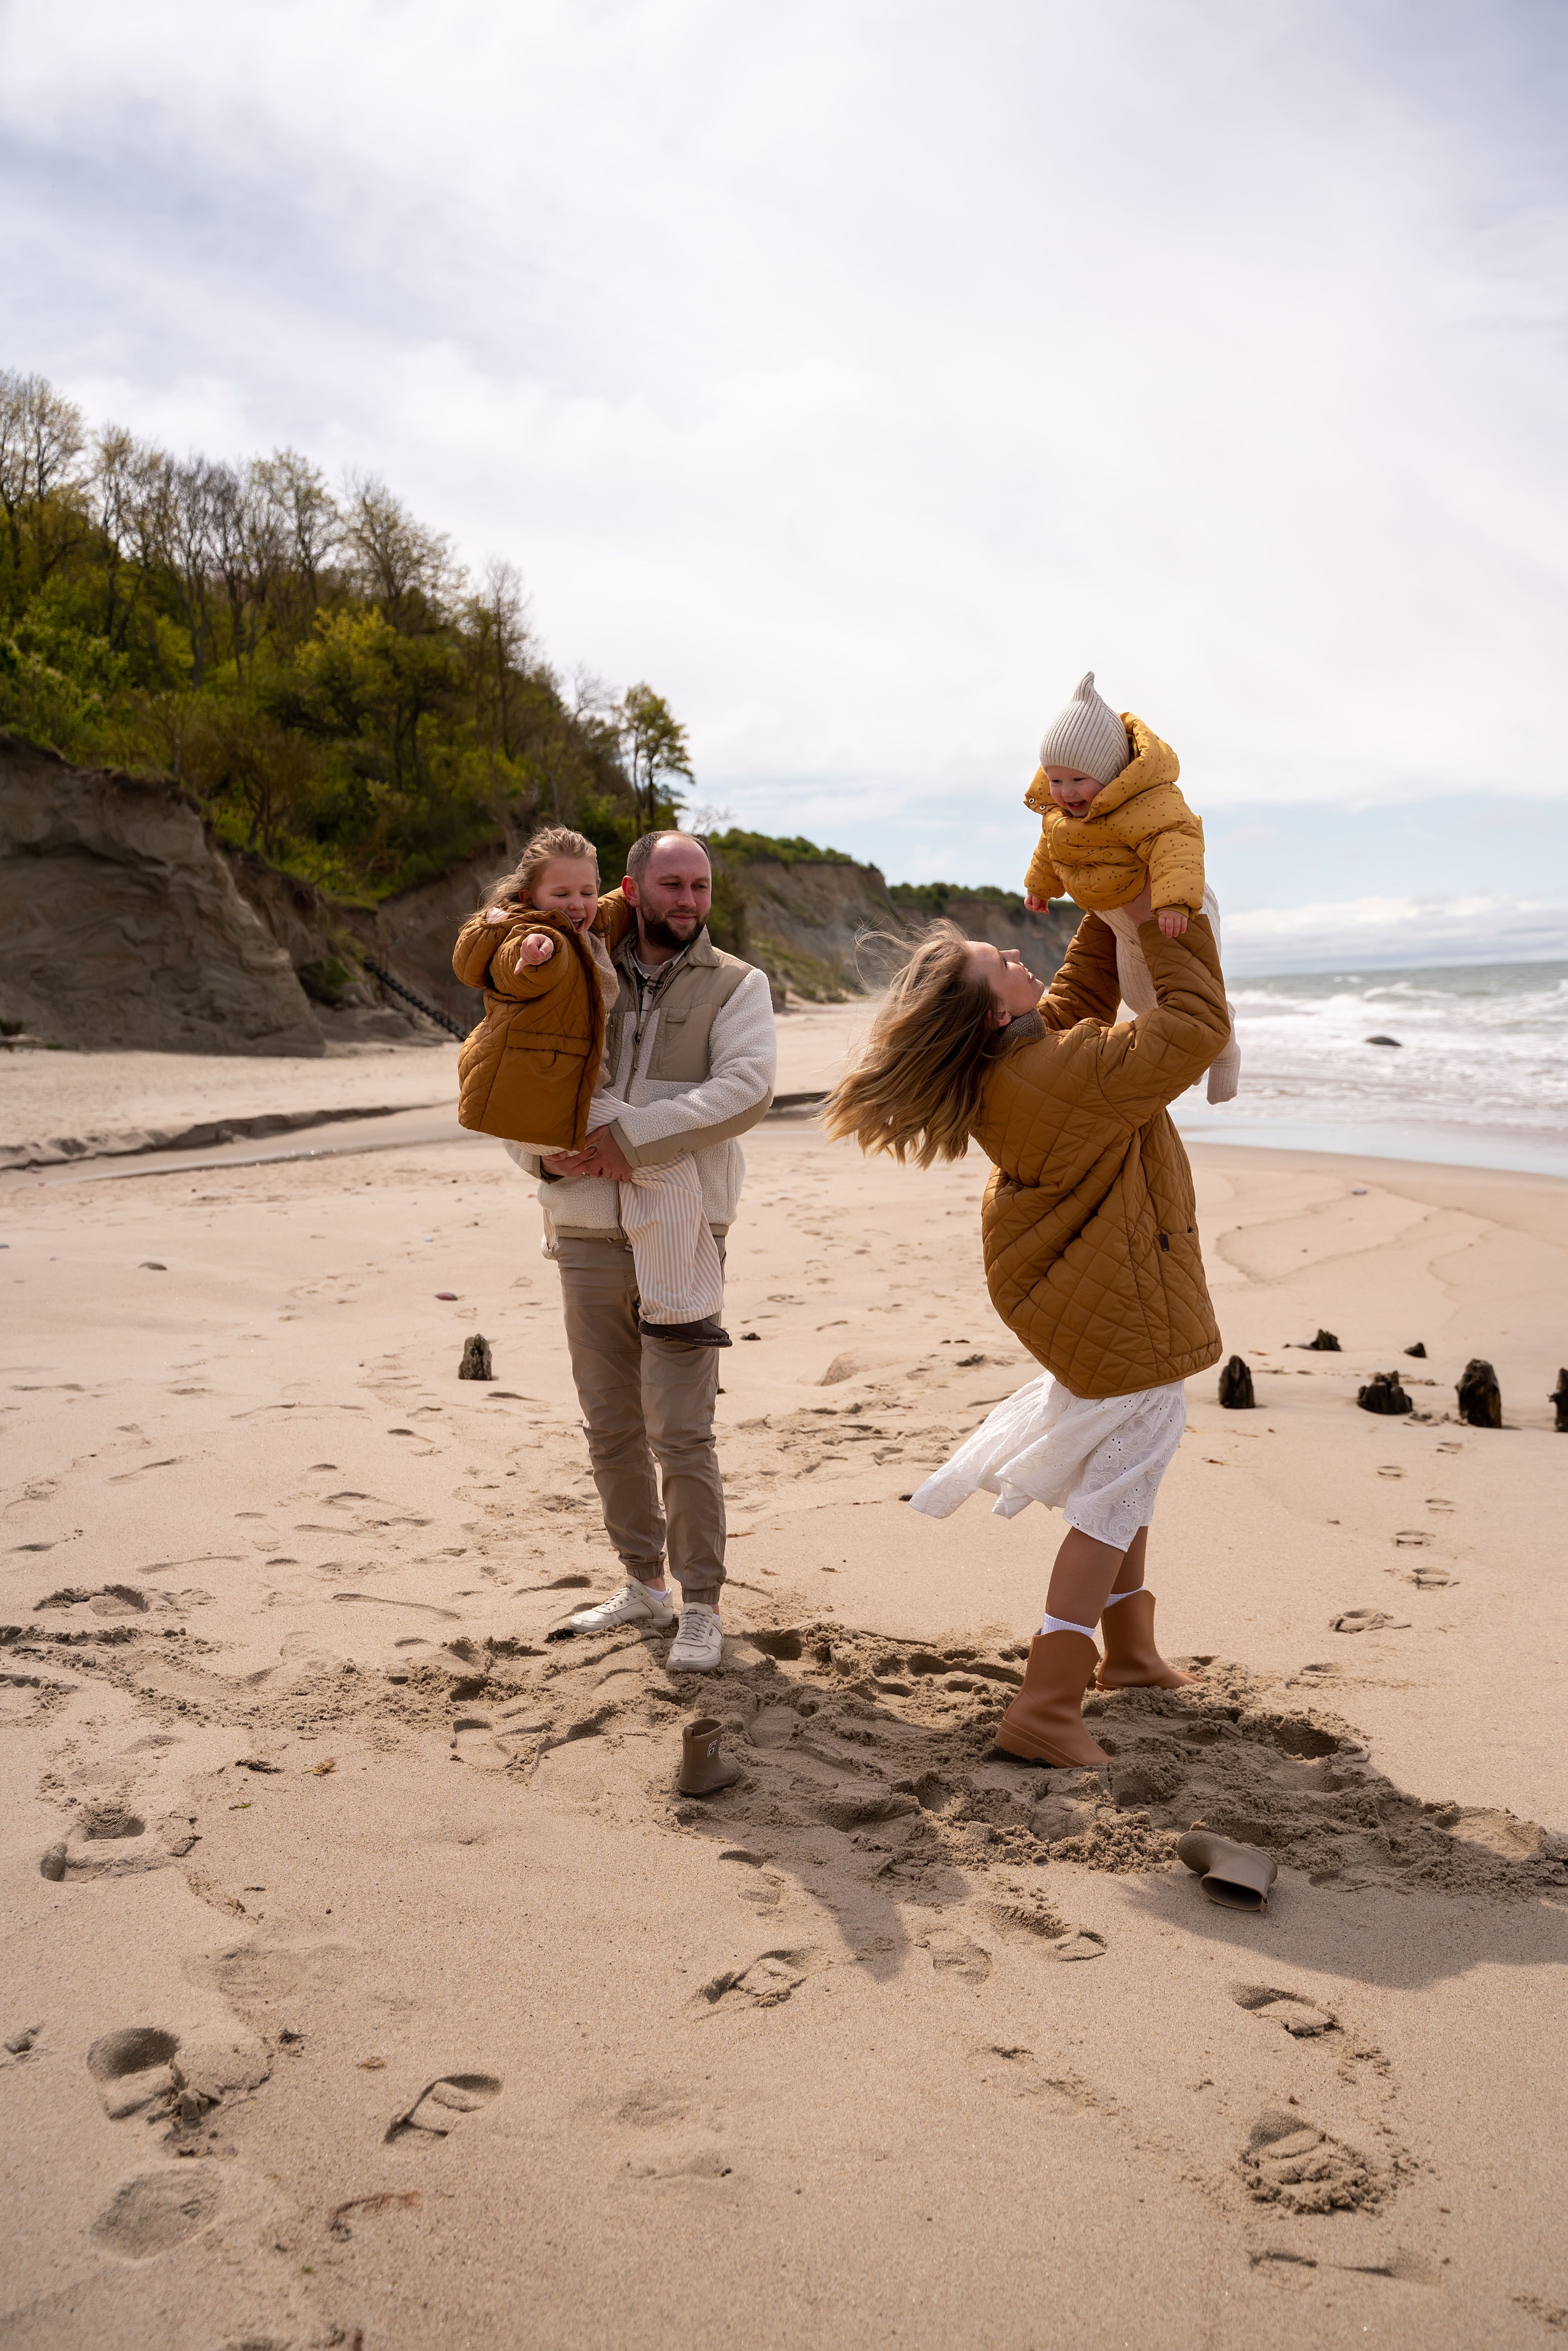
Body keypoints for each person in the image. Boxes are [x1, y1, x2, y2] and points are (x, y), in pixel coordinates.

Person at [823, 896, 1229, 1768]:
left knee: (1127, 1479)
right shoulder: (1065, 1072)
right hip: (1123, 1308)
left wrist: (1109, 899)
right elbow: (1196, 1028)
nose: (1016, 954)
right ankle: (1046, 1704)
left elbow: (1079, 991)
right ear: (995, 1013)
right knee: (1114, 1498)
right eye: (999, 962)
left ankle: (1130, 1653)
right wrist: (1172, 924)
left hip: (1098, 1299)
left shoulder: (1024, 1060)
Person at [507, 830, 776, 1672]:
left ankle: (701, 1605)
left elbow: (745, 1091)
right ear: (632, 888)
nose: (688, 900)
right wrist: (539, 1156)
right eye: (672, 884)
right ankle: (643, 1585)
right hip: (584, 1226)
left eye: (700, 885)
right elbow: (520, 1076)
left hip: (688, 1233)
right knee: (611, 1426)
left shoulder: (738, 983)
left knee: (683, 1431)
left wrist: (628, 1138)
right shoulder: (572, 969)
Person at [452, 826, 728, 1346]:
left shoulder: (595, 921)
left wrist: (652, 890)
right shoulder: (532, 935)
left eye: (585, 890)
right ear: (529, 897)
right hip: (541, 1097)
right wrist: (533, 954)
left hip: (554, 1094)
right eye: (561, 893)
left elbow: (629, 902)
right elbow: (515, 969)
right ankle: (677, 1311)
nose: (576, 904)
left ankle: (675, 1299)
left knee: (653, 1175)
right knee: (667, 1168)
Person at [1022, 671, 1240, 1104]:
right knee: (1145, 1001)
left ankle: (1225, 1053)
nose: (1065, 792)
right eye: (1055, 780)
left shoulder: (1147, 802)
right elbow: (1053, 849)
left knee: (1195, 992)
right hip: (1121, 919)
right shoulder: (1061, 818)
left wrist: (1174, 902)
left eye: (1077, 780)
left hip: (1176, 906)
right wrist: (1040, 886)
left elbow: (1177, 842)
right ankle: (1195, 1057)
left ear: (1110, 773)